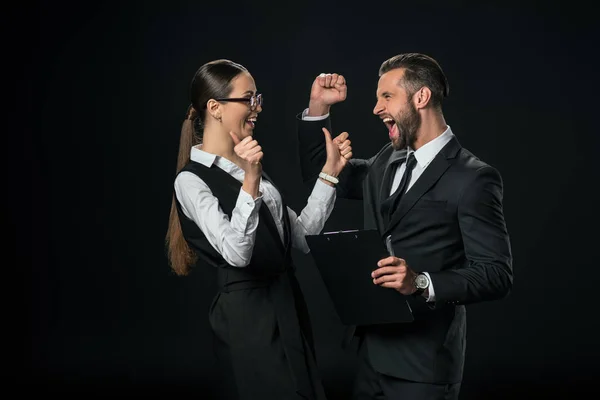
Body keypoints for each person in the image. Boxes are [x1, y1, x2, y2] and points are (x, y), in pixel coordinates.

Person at [296, 53, 513, 400]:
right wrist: (318, 109)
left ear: (421, 97)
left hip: (424, 367)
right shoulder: (386, 159)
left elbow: (496, 274)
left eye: (386, 97)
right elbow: (326, 173)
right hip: (371, 355)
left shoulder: (474, 177)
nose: (376, 108)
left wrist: (421, 283)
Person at [165, 59, 352, 400]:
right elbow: (237, 253)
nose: (257, 109)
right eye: (248, 99)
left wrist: (330, 172)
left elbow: (302, 237)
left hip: (287, 303)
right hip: (247, 317)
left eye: (258, 99)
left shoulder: (248, 166)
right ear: (215, 108)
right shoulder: (191, 181)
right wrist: (251, 180)